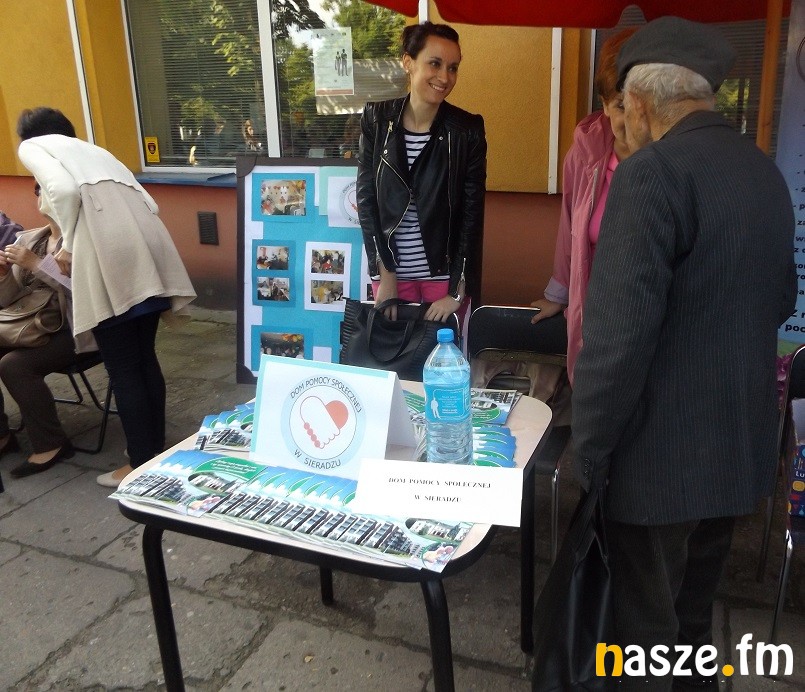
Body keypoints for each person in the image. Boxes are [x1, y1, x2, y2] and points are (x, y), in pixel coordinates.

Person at [571, 17, 796, 689]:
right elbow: (780, 298)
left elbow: (616, 343)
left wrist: (589, 454)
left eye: (622, 108)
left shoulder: (650, 176)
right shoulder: (763, 173)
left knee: (643, 635)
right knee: (693, 622)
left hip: (659, 461)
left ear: (640, 103)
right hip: (738, 445)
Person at [16, 107, 196, 488]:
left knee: (124, 367)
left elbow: (63, 192)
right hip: (149, 252)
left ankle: (141, 463)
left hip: (108, 257)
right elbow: (151, 203)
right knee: (144, 359)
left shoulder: (34, 147)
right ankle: (154, 451)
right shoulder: (97, 152)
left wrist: (70, 242)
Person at [356, 21, 487, 324]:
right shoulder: (377, 120)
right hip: (391, 277)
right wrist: (385, 276)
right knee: (392, 352)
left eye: (453, 68)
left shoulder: (466, 130)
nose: (445, 77)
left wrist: (457, 289)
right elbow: (367, 202)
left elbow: (471, 215)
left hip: (444, 280)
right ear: (408, 62)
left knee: (445, 354)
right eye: (435, 64)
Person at [529, 28, 636, 384]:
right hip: (596, 317)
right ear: (604, 104)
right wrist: (559, 293)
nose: (634, 119)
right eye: (622, 105)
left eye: (644, 104)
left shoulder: (671, 160)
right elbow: (569, 228)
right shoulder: (585, 153)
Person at [0, 219, 84, 477]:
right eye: (40, 196)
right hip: (29, 324)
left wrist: (37, 265)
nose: (43, 199)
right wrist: (3, 276)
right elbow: (9, 301)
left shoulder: (80, 240)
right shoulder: (28, 239)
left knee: (14, 365)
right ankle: (2, 436)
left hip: (73, 329)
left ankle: (51, 443)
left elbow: (84, 293)